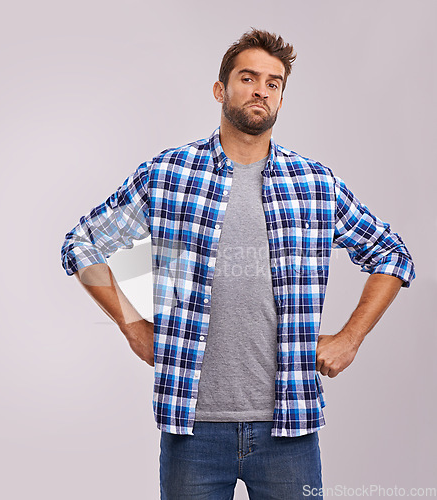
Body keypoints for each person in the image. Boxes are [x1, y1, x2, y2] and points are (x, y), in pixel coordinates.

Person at [60, 28, 415, 499]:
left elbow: (392, 254)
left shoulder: (316, 183)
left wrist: (351, 337)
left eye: (273, 83)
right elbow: (82, 244)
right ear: (220, 89)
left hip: (290, 427)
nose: (261, 90)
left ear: (282, 99)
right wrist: (131, 325)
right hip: (193, 428)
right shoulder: (169, 174)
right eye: (248, 78)